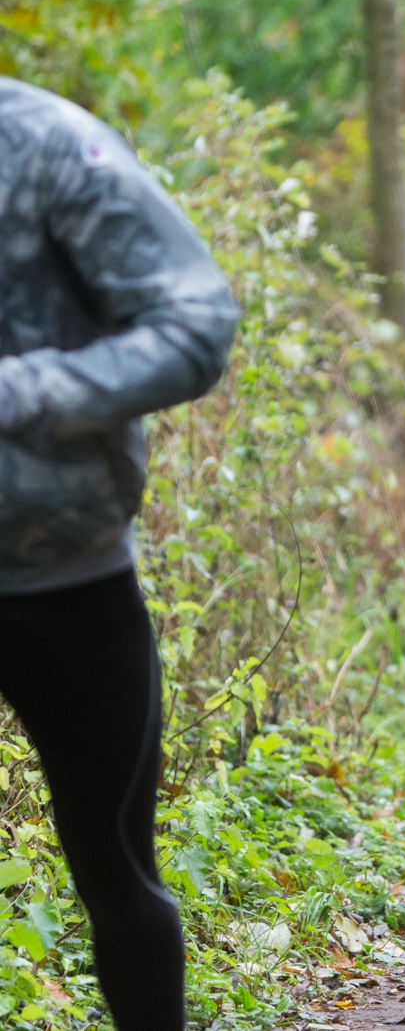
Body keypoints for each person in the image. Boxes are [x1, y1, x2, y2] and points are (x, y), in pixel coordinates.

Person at [0, 78, 240, 1029]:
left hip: (63, 574)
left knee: (113, 870)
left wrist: (26, 392)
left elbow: (196, 323)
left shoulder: (47, 143)